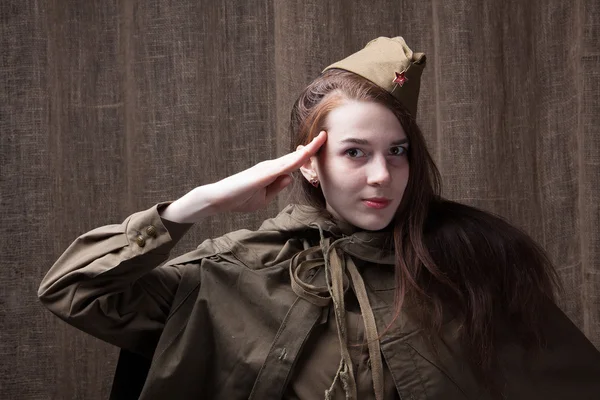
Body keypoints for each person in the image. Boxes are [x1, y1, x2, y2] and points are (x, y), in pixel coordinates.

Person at [39, 37, 600, 400]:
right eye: (355, 152)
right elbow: (72, 291)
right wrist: (198, 205)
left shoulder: (474, 265)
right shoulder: (232, 271)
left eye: (397, 151)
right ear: (309, 165)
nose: (382, 174)